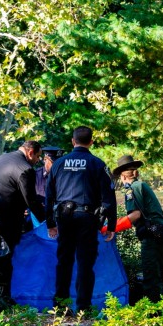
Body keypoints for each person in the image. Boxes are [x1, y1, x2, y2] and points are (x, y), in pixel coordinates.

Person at [45, 127, 116, 314]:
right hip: (87, 218)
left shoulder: (58, 164)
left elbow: (49, 197)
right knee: (85, 262)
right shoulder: (98, 164)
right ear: (91, 142)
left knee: (64, 261)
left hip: (64, 218)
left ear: (72, 141)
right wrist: (112, 226)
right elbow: (109, 199)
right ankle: (83, 307)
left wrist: (50, 223)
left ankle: (59, 306)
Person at [0, 141, 46, 301]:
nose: (38, 161)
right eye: (38, 156)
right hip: (7, 218)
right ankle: (5, 297)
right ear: (30, 152)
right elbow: (31, 201)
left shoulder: (3, 158)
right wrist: (47, 223)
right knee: (7, 257)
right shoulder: (25, 169)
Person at [112, 155, 163, 303]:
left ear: (122, 176)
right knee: (161, 278)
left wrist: (112, 227)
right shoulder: (142, 185)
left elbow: (135, 215)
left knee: (151, 279)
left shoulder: (130, 189)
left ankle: (153, 317)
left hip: (153, 237)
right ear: (136, 172)